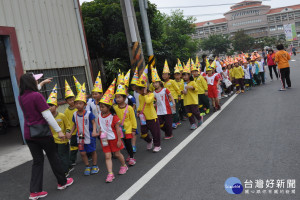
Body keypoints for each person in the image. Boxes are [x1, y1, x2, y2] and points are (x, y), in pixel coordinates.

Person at [19, 74, 73, 200]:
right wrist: (59, 131)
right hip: (42, 133)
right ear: (32, 82)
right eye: (35, 80)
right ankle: (62, 182)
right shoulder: (37, 96)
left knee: (37, 162)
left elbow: (33, 93)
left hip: (29, 134)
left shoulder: (21, 97)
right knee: (53, 156)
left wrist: (42, 83)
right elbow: (47, 115)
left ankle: (35, 192)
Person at [99, 79, 128, 183]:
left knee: (117, 154)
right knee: (107, 156)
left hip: (114, 139)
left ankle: (124, 165)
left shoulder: (113, 116)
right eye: (100, 107)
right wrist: (98, 133)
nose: (101, 109)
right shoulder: (99, 115)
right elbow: (100, 126)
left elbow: (117, 129)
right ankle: (110, 173)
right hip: (105, 139)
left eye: (103, 107)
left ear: (109, 107)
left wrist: (119, 140)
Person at [70, 86, 99, 176]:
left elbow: (94, 123)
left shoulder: (89, 114)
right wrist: (70, 133)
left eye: (80, 103)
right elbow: (74, 124)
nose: (78, 105)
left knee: (92, 151)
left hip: (89, 135)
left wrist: (94, 131)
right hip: (80, 136)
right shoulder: (74, 114)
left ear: (85, 105)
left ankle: (95, 165)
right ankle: (87, 166)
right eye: (76, 103)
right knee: (82, 153)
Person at [47, 85, 72, 177]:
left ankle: (65, 170)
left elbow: (68, 125)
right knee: (58, 156)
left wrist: (68, 132)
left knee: (62, 155)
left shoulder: (61, 115)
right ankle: (68, 166)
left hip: (62, 139)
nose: (49, 107)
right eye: (48, 106)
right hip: (53, 140)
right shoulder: (47, 118)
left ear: (56, 106)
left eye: (51, 105)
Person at [136, 66, 162, 152]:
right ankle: (149, 141)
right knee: (143, 134)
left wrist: (145, 93)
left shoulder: (151, 94)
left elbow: (147, 101)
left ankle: (157, 145)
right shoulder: (140, 96)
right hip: (144, 118)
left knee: (155, 133)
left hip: (152, 117)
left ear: (143, 88)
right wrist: (138, 111)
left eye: (139, 89)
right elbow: (141, 105)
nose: (137, 91)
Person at [113, 79, 137, 166]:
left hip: (128, 129)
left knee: (128, 143)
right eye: (116, 97)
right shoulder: (115, 108)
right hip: (119, 130)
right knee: (124, 143)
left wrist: (134, 128)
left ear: (124, 98)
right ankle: (129, 155)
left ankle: (131, 157)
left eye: (119, 97)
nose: (117, 99)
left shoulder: (129, 108)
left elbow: (133, 119)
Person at [152, 67, 175, 139]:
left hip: (167, 109)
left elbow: (171, 96)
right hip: (159, 111)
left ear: (159, 82)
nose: (155, 84)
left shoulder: (165, 90)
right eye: (153, 83)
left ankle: (169, 134)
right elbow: (155, 101)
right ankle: (167, 132)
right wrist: (153, 105)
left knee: (168, 124)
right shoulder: (154, 93)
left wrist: (173, 104)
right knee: (160, 124)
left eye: (156, 83)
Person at [181, 65, 203, 130]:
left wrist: (191, 87)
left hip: (193, 100)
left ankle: (199, 118)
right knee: (189, 113)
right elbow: (180, 91)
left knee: (195, 111)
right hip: (186, 101)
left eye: (186, 75)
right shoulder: (183, 83)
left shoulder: (193, 82)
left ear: (189, 76)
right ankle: (193, 123)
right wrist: (182, 92)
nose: (184, 77)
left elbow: (196, 89)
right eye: (183, 75)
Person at [161, 60, 181, 129]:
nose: (164, 75)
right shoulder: (162, 84)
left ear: (169, 75)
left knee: (174, 111)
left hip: (174, 98)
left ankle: (175, 122)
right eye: (163, 74)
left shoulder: (172, 81)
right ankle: (174, 121)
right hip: (167, 100)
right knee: (170, 111)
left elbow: (177, 89)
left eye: (166, 74)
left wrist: (179, 96)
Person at [64, 80, 78, 167]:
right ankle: (72, 160)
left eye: (73, 99)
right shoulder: (66, 111)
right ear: (66, 102)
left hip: (80, 131)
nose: (72, 101)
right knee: (73, 146)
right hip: (73, 133)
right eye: (70, 100)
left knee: (83, 143)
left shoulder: (78, 108)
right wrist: (67, 131)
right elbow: (66, 122)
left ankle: (89, 155)